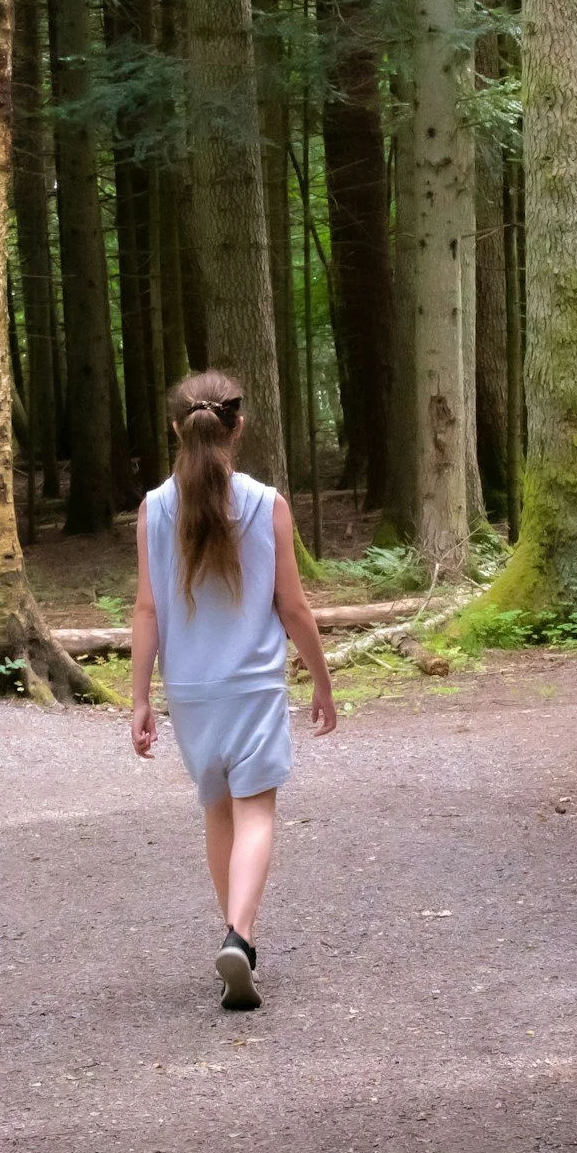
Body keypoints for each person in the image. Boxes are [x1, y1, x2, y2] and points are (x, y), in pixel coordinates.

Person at [129, 371, 336, 1011]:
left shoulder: (152, 509)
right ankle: (240, 937)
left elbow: (146, 610)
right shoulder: (266, 503)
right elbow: (294, 607)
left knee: (218, 811)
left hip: (191, 694)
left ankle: (235, 944)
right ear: (239, 427)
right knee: (257, 814)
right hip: (253, 689)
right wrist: (323, 681)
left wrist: (139, 698)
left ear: (175, 428)